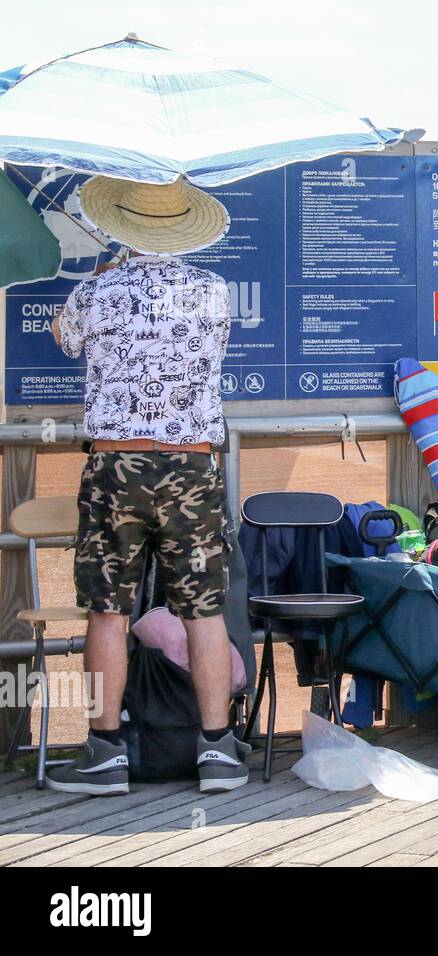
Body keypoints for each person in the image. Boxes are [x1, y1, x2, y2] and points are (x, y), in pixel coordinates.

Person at [45, 176, 249, 795]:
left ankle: (105, 753)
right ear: (184, 229)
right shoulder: (213, 290)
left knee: (106, 612)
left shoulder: (96, 289)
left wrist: (102, 278)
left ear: (121, 228)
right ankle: (218, 750)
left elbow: (66, 339)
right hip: (192, 466)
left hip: (116, 466)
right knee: (204, 611)